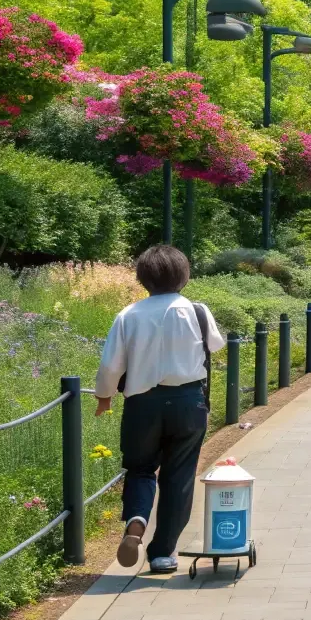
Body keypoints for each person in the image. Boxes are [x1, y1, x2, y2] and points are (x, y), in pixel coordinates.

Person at [94, 245, 226, 574]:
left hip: (143, 403)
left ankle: (136, 521)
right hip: (189, 402)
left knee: (140, 468)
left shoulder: (128, 315)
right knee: (179, 476)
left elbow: (111, 365)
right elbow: (216, 345)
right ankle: (163, 553)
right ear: (184, 276)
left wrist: (104, 396)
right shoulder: (197, 312)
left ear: (143, 279)